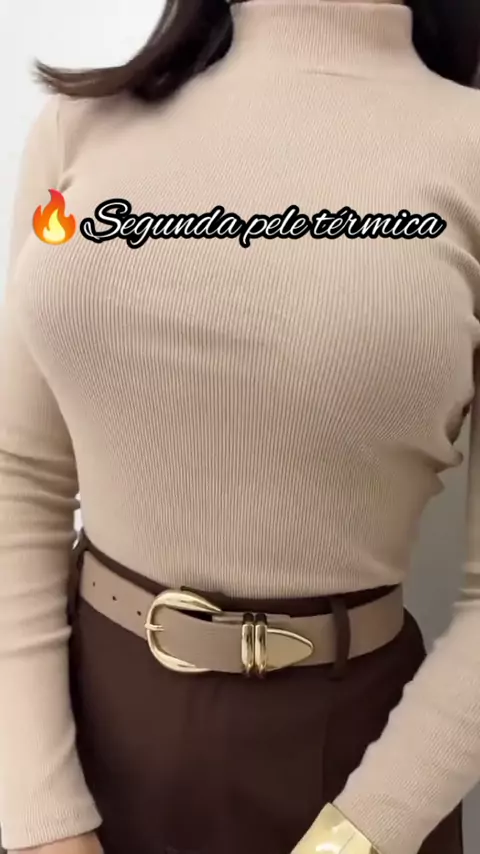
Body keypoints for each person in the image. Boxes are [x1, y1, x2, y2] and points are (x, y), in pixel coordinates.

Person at [1, 0, 480, 852]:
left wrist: (360, 837)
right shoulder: (81, 127)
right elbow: (18, 474)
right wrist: (41, 819)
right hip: (75, 730)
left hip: (362, 766)